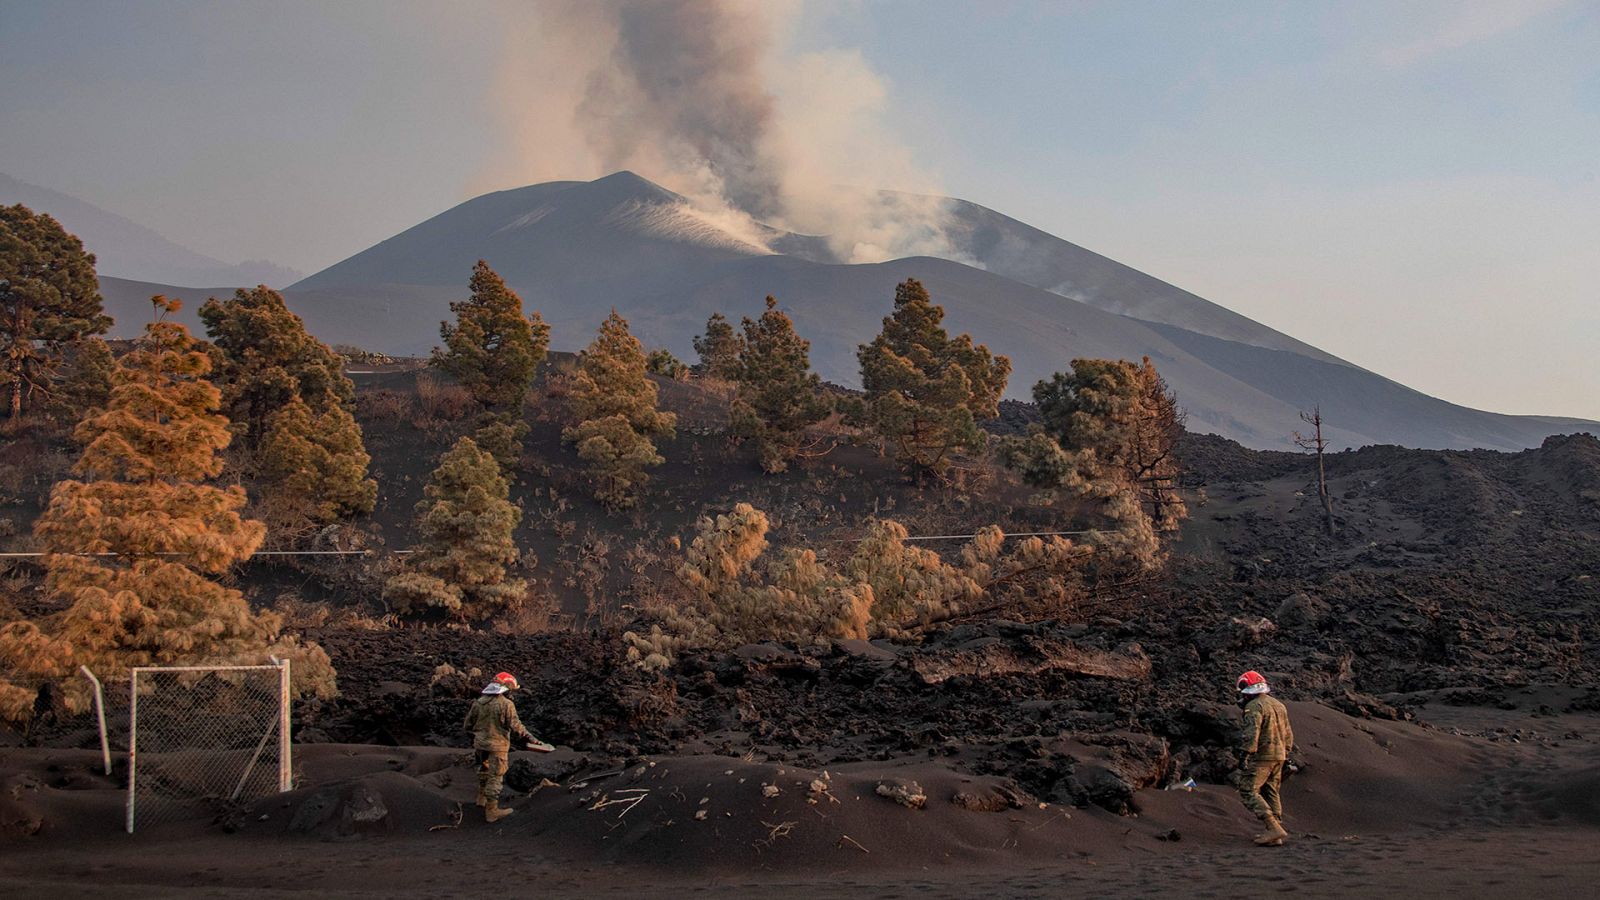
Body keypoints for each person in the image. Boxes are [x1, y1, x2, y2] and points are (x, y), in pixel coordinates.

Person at [463, 671, 545, 823]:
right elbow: (516, 726)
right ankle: (492, 811)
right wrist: (532, 739)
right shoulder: (506, 704)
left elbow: (467, 725)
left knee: (483, 769)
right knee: (495, 776)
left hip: (480, 745)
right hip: (497, 747)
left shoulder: (478, 703)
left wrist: (477, 737)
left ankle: (481, 798)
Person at [1235, 670, 1294, 846]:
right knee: (1271, 791)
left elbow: (1252, 733)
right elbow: (1288, 733)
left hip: (1263, 756)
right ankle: (1276, 833)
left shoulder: (1254, 707)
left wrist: (1245, 754)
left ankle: (1273, 827)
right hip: (1279, 755)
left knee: (1248, 790)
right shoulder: (1278, 705)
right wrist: (1286, 752)